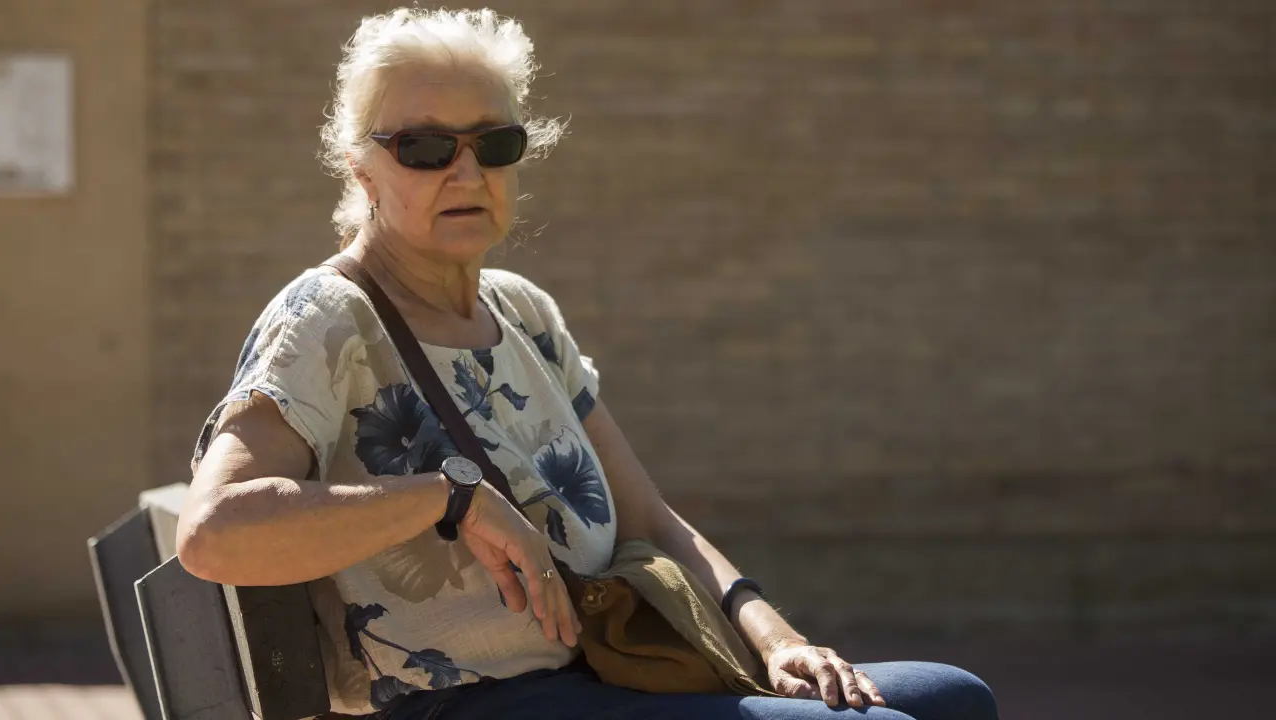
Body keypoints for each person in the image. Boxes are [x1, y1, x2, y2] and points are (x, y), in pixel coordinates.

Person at [176, 7, 998, 720]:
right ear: (363, 169)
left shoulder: (522, 312)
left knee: (955, 697)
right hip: (473, 705)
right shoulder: (327, 318)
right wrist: (449, 497)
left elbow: (650, 522)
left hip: (611, 668)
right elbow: (213, 534)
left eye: (494, 143)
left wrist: (776, 638)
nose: (467, 171)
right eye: (424, 146)